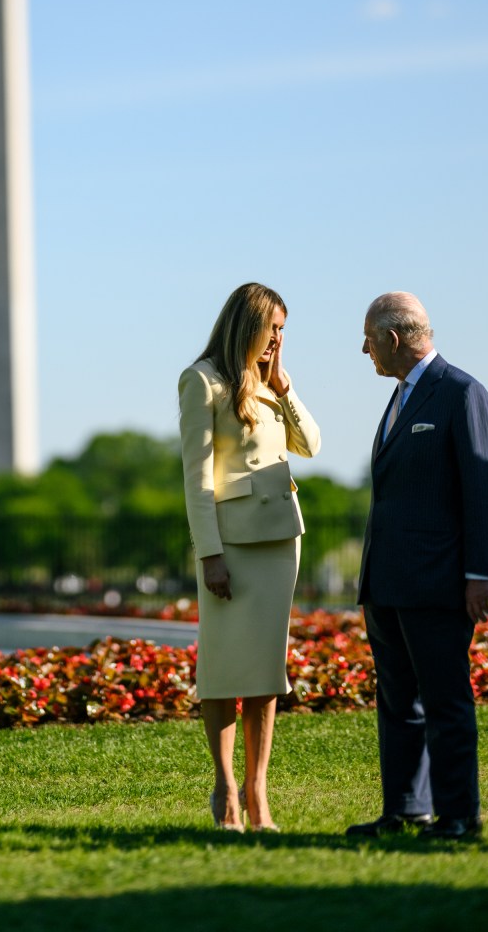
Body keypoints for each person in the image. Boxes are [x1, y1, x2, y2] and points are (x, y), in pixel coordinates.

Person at [348, 291, 488, 841]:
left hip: (438, 584)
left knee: (444, 701)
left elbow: (484, 491)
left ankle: (460, 815)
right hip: (388, 584)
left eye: (368, 338)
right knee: (397, 704)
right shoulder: (397, 399)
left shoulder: (461, 394)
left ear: (392, 338)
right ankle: (406, 809)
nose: (362, 348)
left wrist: (479, 573)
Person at [178, 282, 321, 831]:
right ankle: (226, 788)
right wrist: (210, 554)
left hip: (280, 540)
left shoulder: (270, 382)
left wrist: (284, 387)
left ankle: (259, 795)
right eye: (272, 328)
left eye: (283, 331)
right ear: (248, 324)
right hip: (231, 546)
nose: (276, 340)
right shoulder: (202, 381)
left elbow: (310, 445)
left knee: (266, 671)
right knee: (221, 671)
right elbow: (196, 480)